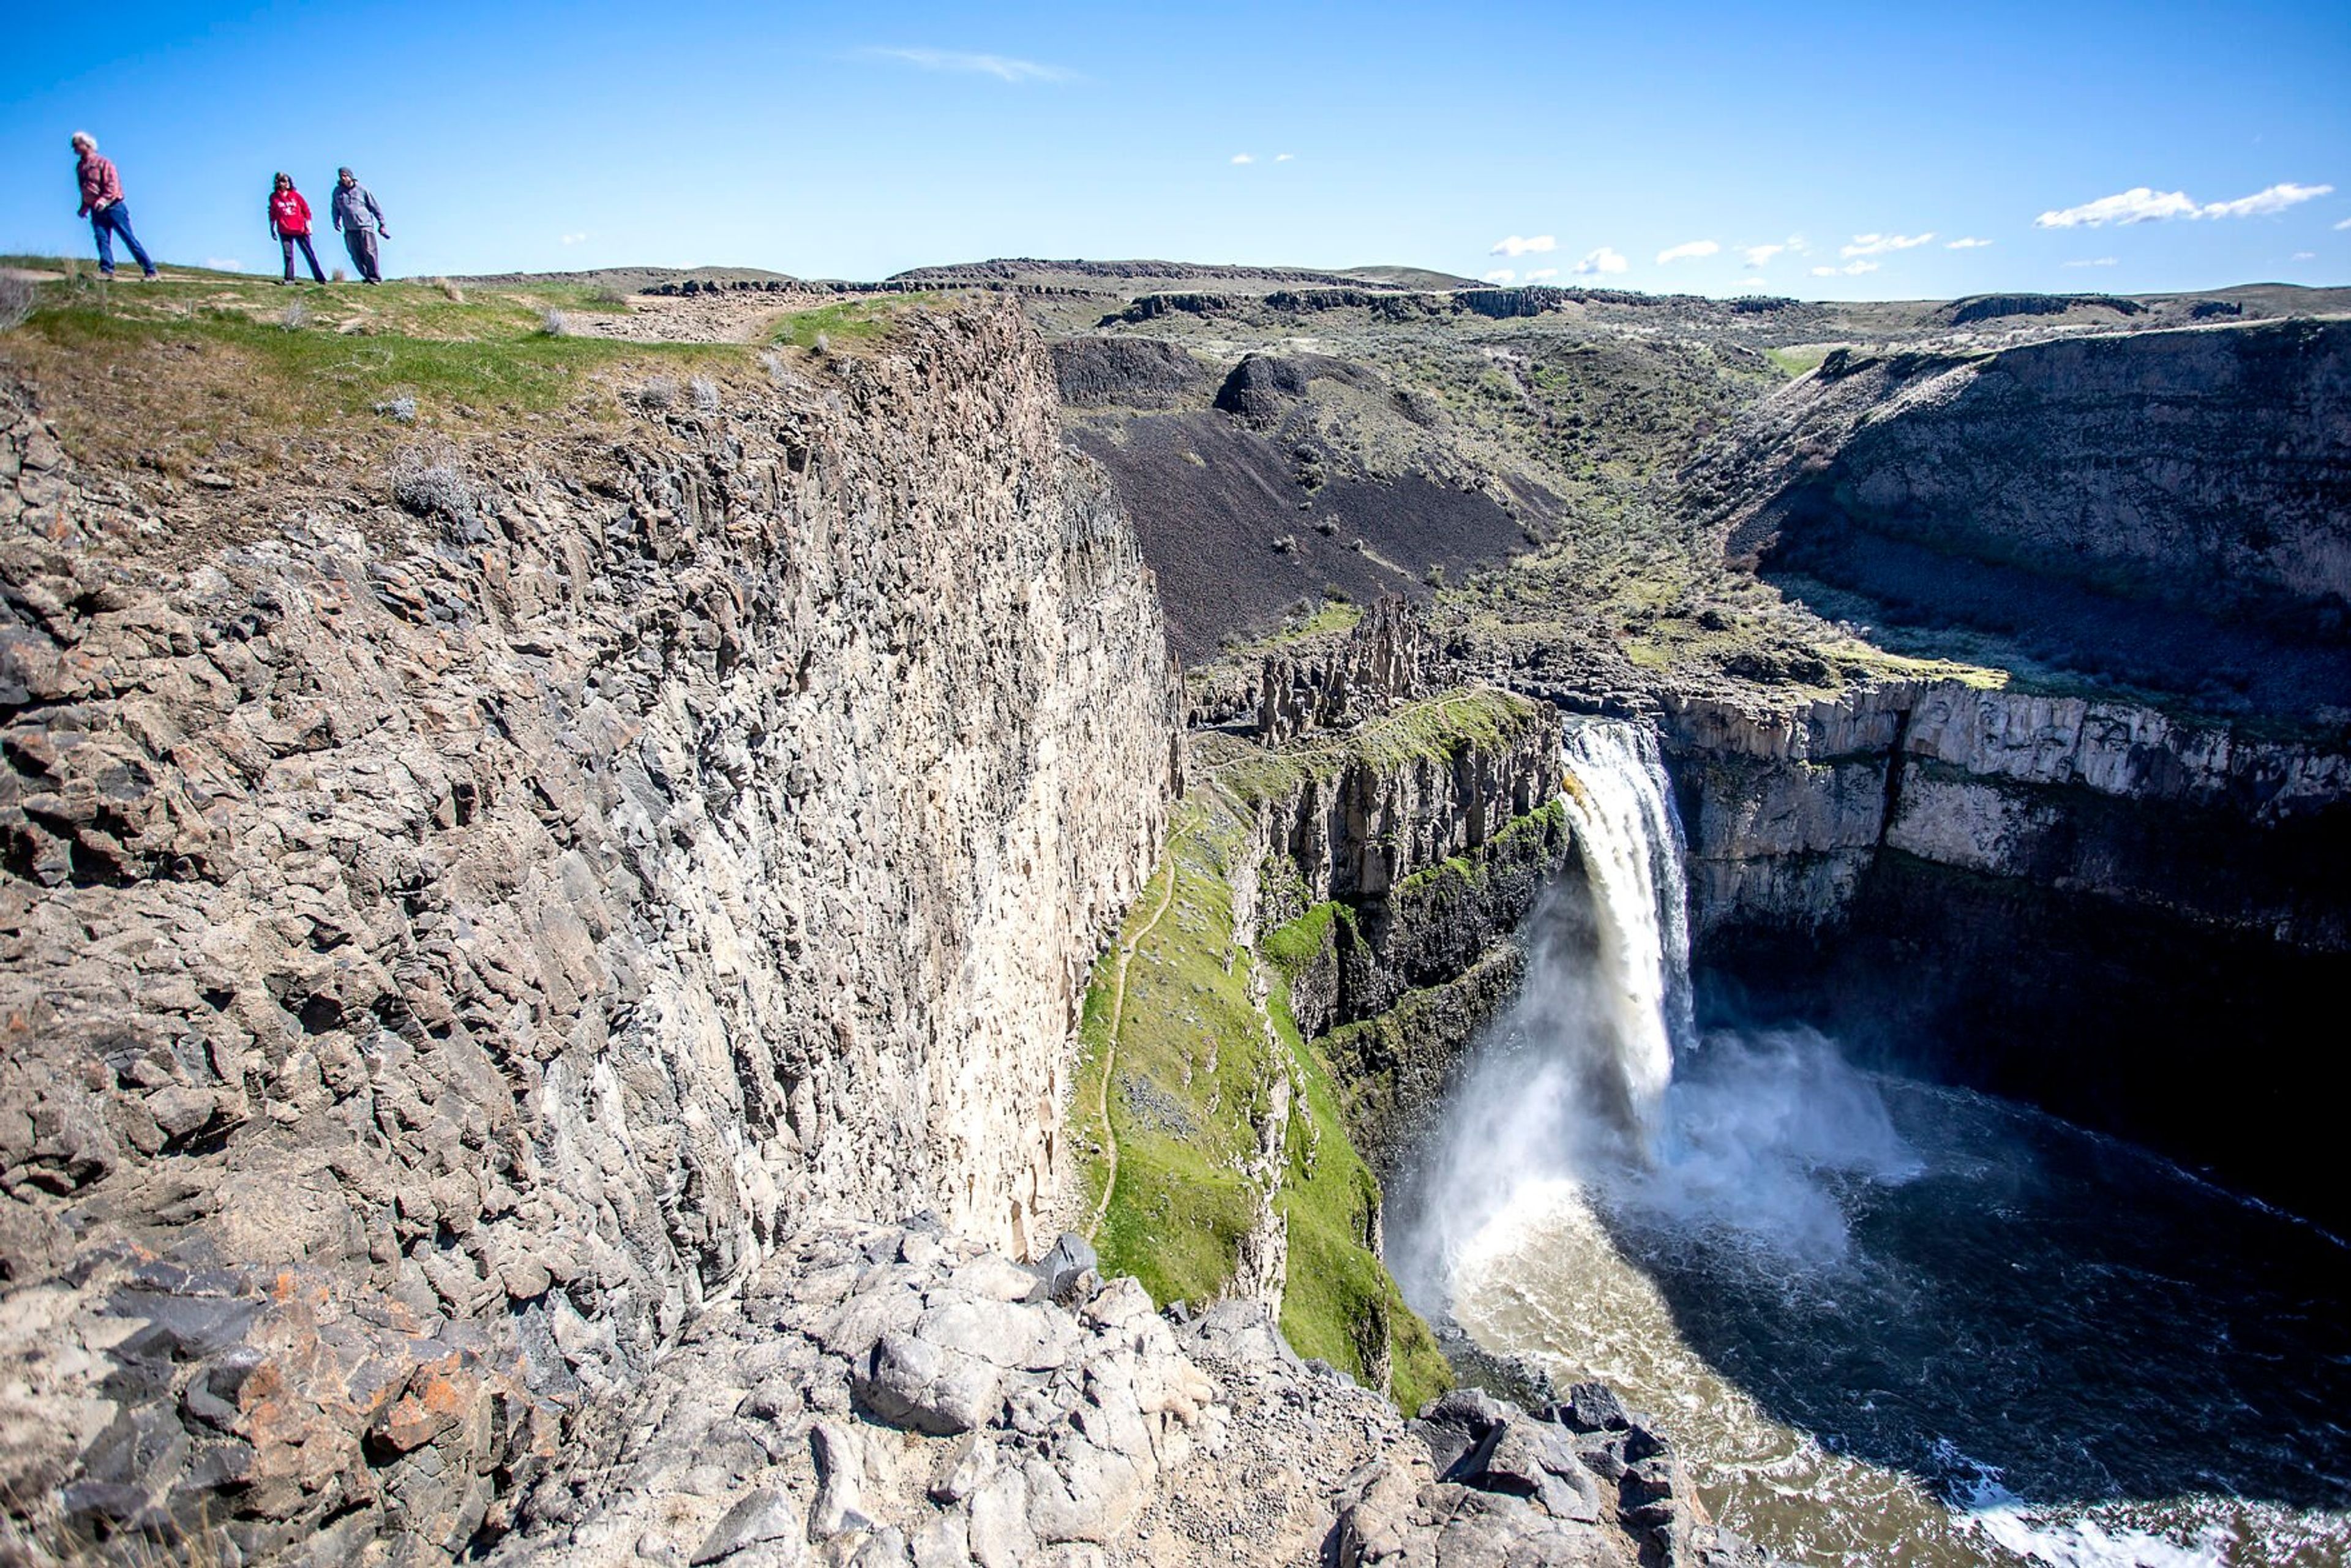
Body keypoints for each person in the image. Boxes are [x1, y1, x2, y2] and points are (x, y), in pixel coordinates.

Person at [70, 132, 158, 280]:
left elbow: (113, 185)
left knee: (128, 238)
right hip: (96, 209)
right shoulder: (80, 167)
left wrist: (104, 200)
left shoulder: (104, 163)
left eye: (76, 144)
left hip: (114, 207)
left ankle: (151, 271)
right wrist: (84, 206)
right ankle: (107, 271)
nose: (74, 148)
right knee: (101, 238)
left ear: (87, 145)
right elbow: (85, 188)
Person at [329, 167, 389, 284]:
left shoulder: (362, 190)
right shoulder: (337, 192)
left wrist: (382, 224)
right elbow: (335, 208)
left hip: (365, 226)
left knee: (369, 252)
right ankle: (367, 276)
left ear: (351, 176)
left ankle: (375, 277)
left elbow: (375, 208)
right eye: (341, 175)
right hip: (349, 228)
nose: (343, 178)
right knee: (355, 255)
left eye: (346, 175)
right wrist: (336, 221)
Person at [269, 173, 326, 284]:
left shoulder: (296, 196)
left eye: (288, 181)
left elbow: (306, 210)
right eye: (283, 181)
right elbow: (272, 213)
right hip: (284, 230)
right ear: (278, 183)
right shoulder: (274, 197)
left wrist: (309, 226)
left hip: (300, 229)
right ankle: (289, 278)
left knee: (309, 253)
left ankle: (320, 278)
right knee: (288, 254)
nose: (286, 184)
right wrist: (272, 228)